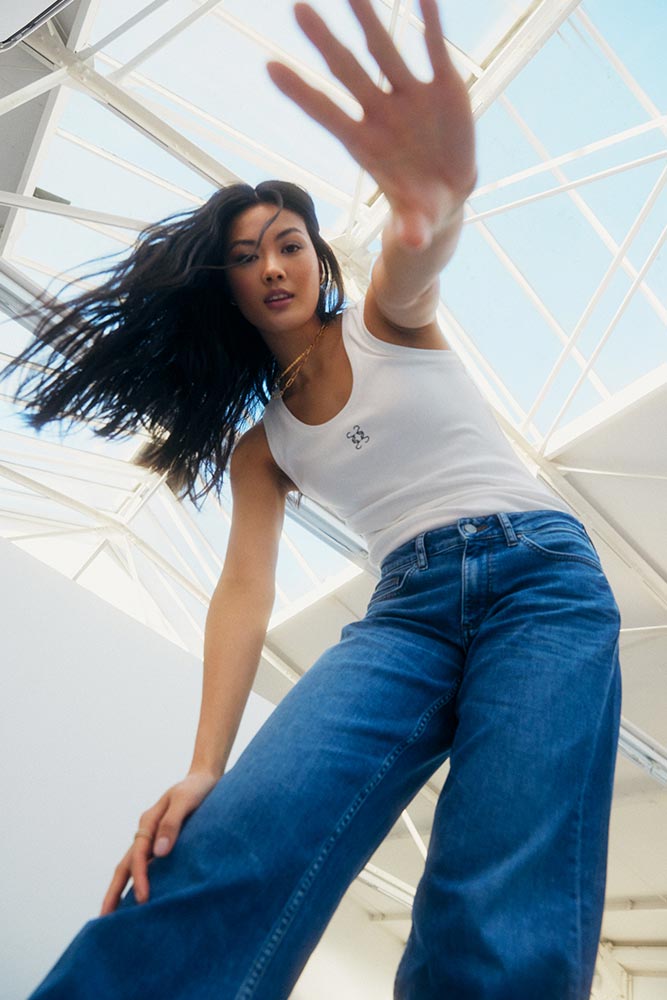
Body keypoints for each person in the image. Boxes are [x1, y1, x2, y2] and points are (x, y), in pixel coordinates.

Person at [14, 1, 621, 997]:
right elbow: (242, 591)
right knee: (229, 840)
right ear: (227, 289)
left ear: (316, 255)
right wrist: (203, 767)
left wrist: (434, 207)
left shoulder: (383, 322)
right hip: (406, 615)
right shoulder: (263, 448)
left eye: (287, 242)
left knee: (498, 901)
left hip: (540, 580)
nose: (271, 266)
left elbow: (415, 262)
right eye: (245, 257)